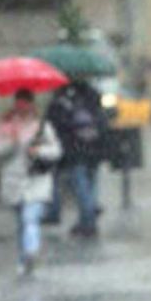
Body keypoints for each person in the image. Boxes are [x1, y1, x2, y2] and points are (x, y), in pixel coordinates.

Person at [0, 89, 62, 276]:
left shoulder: (42, 126)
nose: (22, 107)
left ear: (31, 105)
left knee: (30, 218)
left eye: (25, 103)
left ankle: (31, 252)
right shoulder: (6, 126)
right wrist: (12, 144)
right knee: (22, 223)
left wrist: (39, 151)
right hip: (13, 181)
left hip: (36, 180)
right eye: (19, 104)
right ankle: (23, 260)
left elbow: (56, 151)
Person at [43, 79, 106, 238]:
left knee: (81, 186)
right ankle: (87, 218)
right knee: (90, 185)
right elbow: (103, 122)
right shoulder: (93, 98)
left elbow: (54, 125)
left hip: (75, 151)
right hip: (95, 148)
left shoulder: (61, 101)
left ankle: (88, 222)